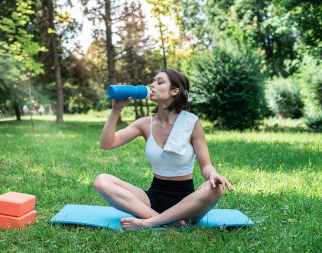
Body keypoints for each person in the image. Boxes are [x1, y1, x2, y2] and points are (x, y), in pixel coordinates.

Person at [94, 69, 234, 231]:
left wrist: (213, 174)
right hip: (153, 199)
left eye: (160, 82)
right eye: (153, 81)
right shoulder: (145, 124)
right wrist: (116, 111)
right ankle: (167, 220)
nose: (152, 85)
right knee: (102, 180)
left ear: (175, 91)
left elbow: (206, 167)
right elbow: (106, 144)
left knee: (216, 187)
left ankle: (151, 222)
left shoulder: (192, 123)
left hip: (187, 203)